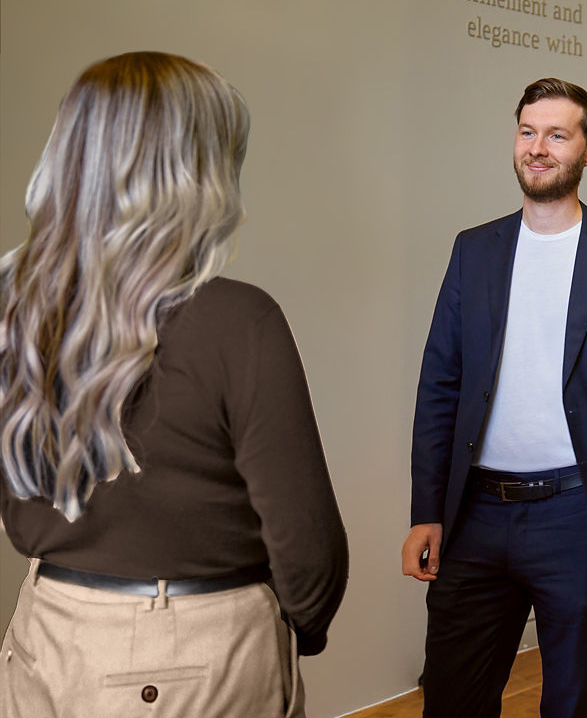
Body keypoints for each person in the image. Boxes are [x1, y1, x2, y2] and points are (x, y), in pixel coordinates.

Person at [0, 52, 348, 718]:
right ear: (195, 177)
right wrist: (296, 627)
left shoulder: (10, 307)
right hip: (198, 647)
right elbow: (307, 550)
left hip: (44, 626)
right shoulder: (239, 318)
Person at [401, 78, 587, 718]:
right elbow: (439, 383)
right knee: (451, 700)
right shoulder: (474, 249)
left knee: (574, 704)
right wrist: (427, 509)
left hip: (578, 517)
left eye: (558, 134)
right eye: (528, 132)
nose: (538, 147)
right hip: (473, 515)